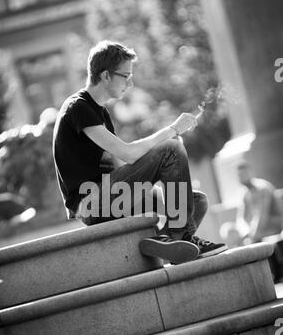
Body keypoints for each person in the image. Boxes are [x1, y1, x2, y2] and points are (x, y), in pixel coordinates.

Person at [53, 40, 227, 264]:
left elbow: (118, 166)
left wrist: (166, 183)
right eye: (125, 76)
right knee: (171, 149)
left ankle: (166, 241)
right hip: (91, 203)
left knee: (195, 202)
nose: (130, 83)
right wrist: (171, 131)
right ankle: (181, 237)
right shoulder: (77, 107)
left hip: (113, 195)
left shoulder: (100, 112)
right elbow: (127, 153)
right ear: (106, 75)